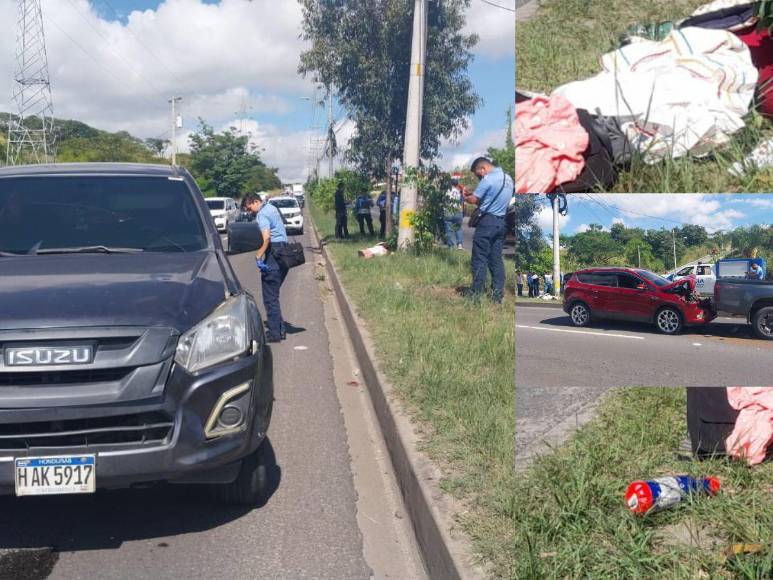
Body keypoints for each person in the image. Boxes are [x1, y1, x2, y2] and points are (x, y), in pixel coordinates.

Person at [461, 157, 514, 303]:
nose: (479, 177)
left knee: (479, 258)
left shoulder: (488, 179)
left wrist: (465, 196)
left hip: (487, 223)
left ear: (483, 168)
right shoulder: (508, 179)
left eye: (478, 174)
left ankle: (476, 295)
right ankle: (497, 295)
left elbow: (475, 200)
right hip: (502, 223)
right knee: (496, 259)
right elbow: (493, 196)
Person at [245, 193, 289, 343]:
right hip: (284, 252)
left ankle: (275, 333)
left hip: (273, 253)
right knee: (274, 294)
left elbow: (267, 238)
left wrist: (258, 255)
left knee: (270, 297)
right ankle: (280, 329)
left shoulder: (262, 215)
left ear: (256, 201)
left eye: (250, 208)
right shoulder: (272, 208)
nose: (250, 212)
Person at [443, 173, 465, 249]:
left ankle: (451, 246)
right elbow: (462, 202)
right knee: (458, 228)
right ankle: (460, 245)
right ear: (457, 184)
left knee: (449, 229)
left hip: (448, 212)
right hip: (458, 212)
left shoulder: (446, 191)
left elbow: (443, 201)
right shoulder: (459, 192)